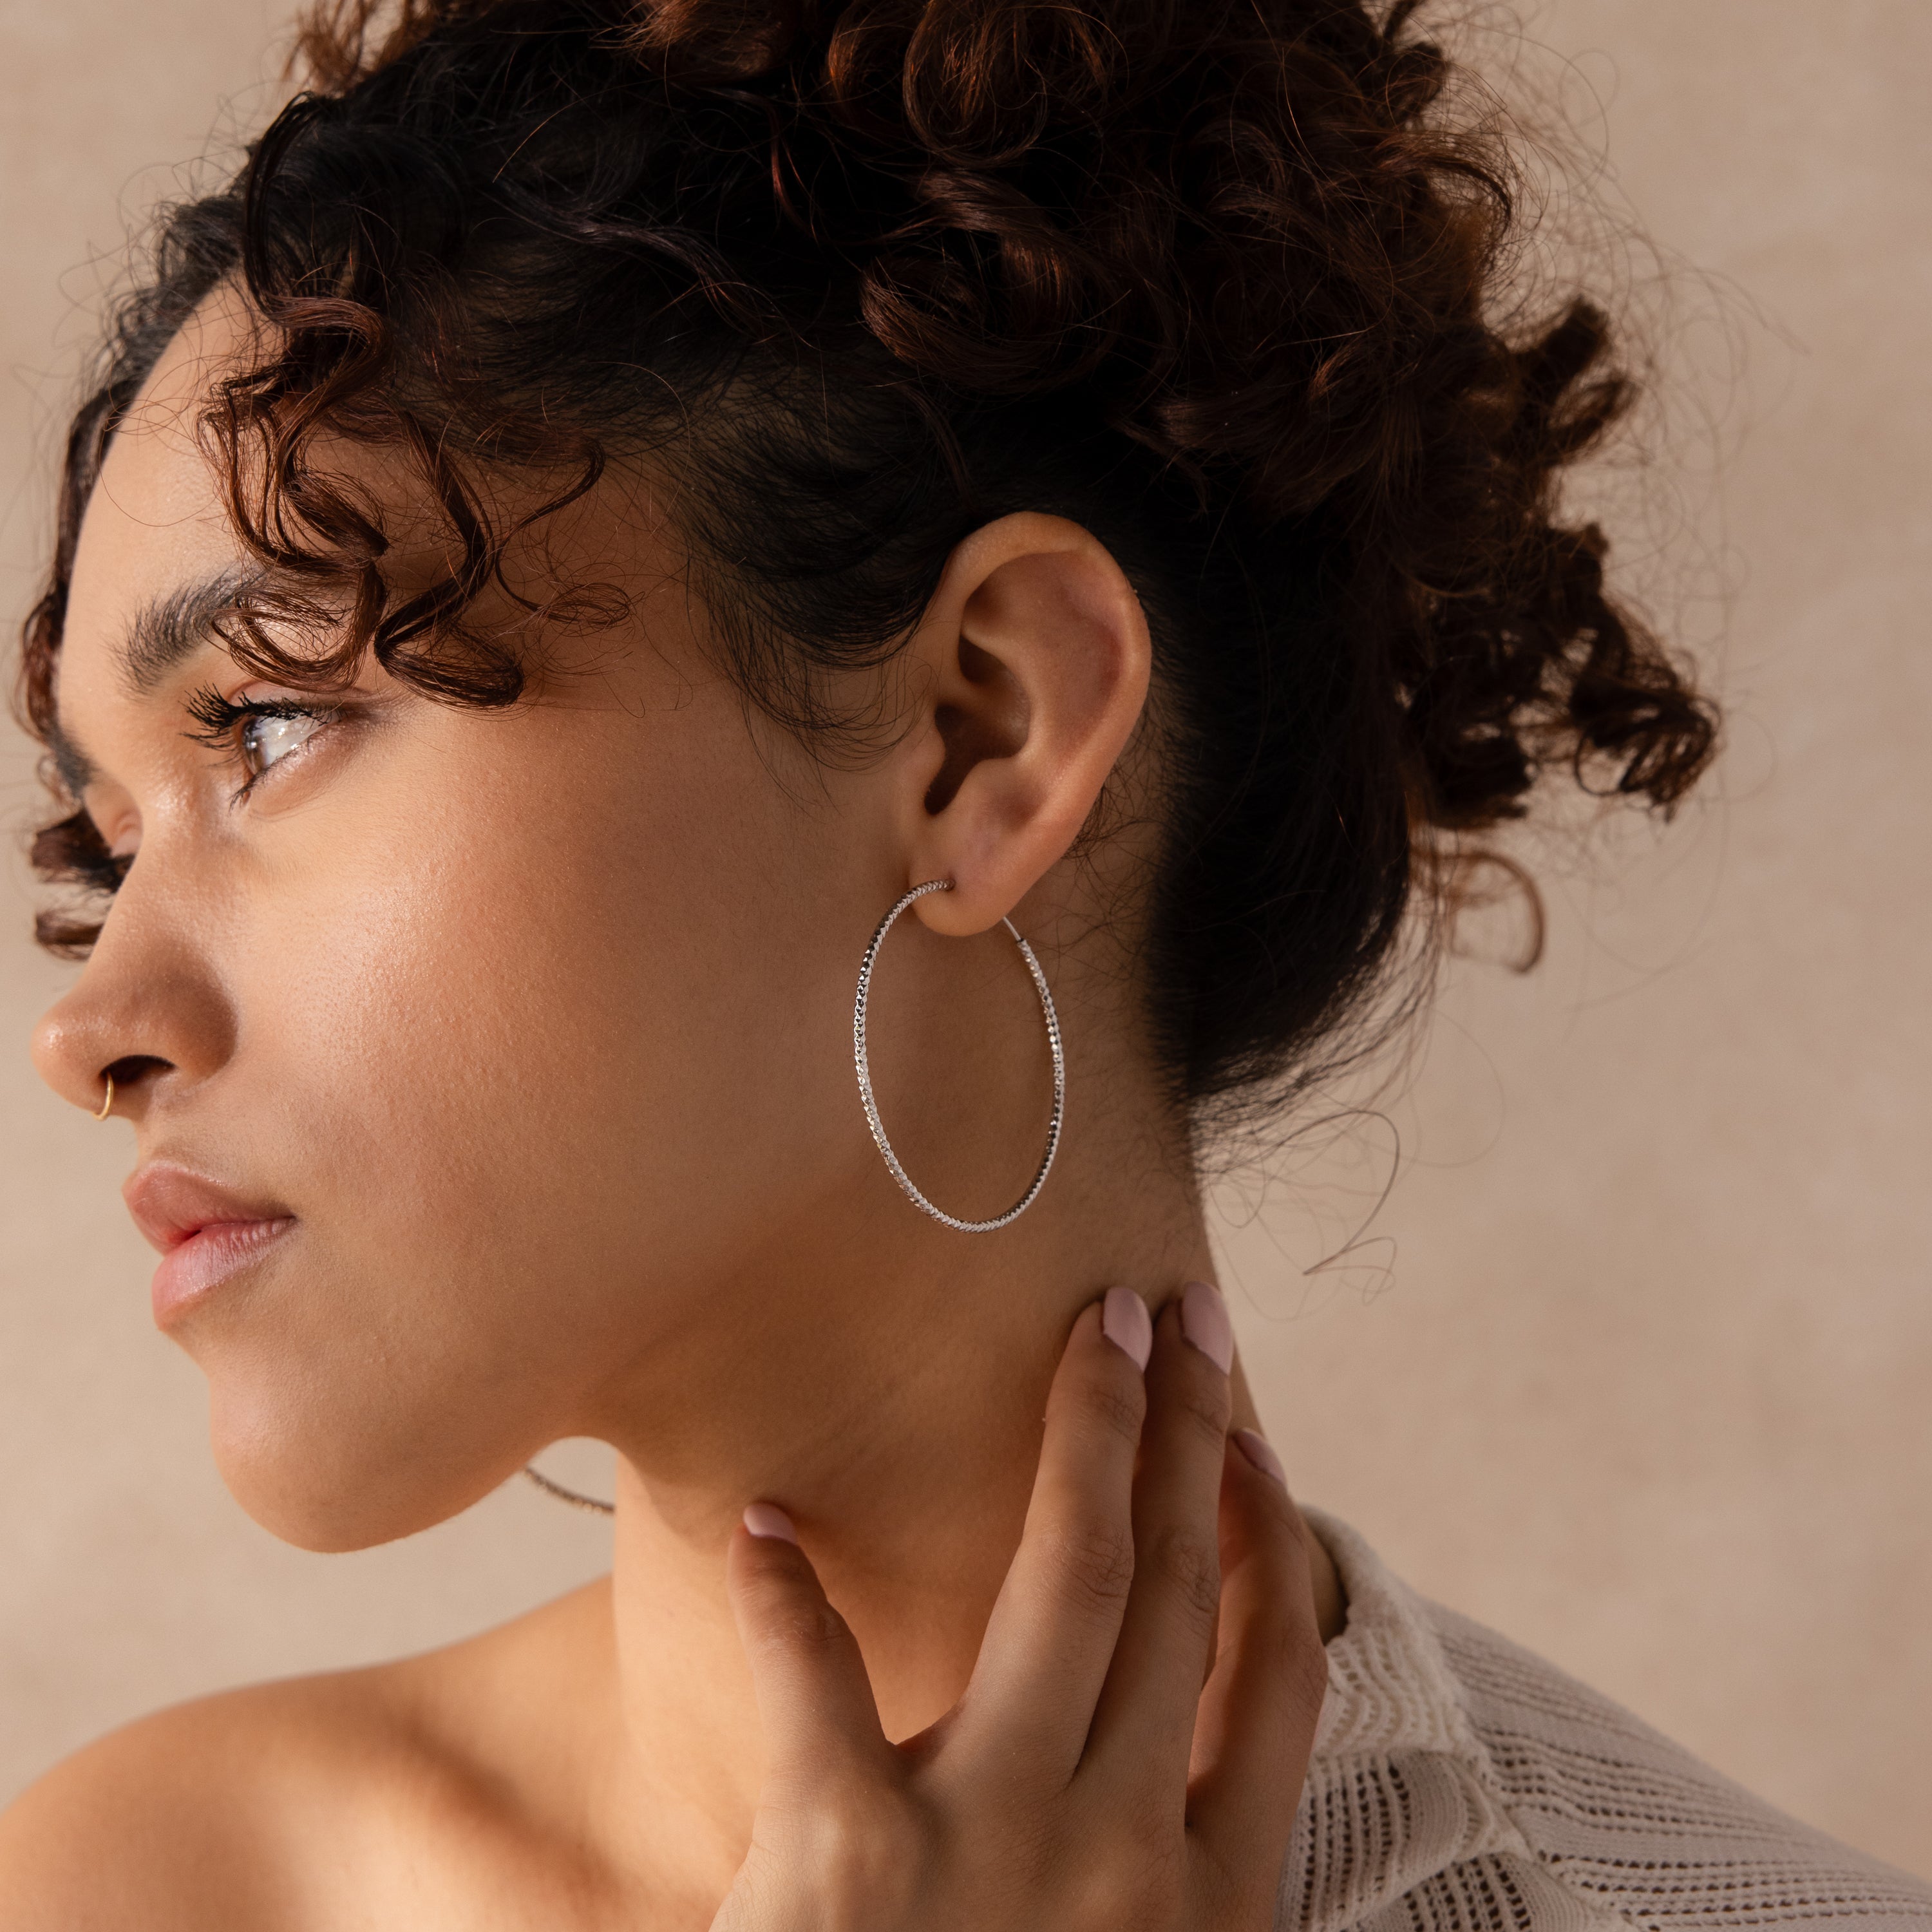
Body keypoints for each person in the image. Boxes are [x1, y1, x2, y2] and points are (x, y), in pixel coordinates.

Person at [1, 0, 1927, 1924]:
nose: (90, 1031)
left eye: (268, 720)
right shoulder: (138, 1889)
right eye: (112, 837)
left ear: (982, 734)